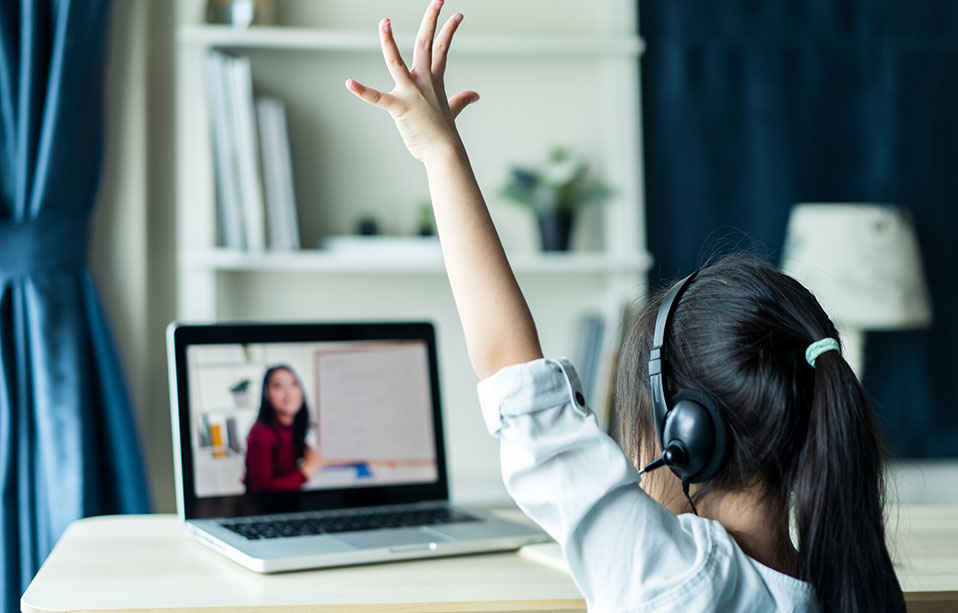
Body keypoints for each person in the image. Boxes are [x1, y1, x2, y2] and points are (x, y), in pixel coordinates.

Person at [345, 2, 906, 611]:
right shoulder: (852, 585)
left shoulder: (673, 576)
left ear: (685, 438)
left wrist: (440, 152)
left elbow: (513, 370)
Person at [244, 365, 322, 492]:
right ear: (267, 394)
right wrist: (307, 471)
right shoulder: (261, 434)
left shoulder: (293, 424)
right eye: (278, 386)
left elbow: (307, 454)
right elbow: (263, 490)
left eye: (293, 384)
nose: (288, 393)